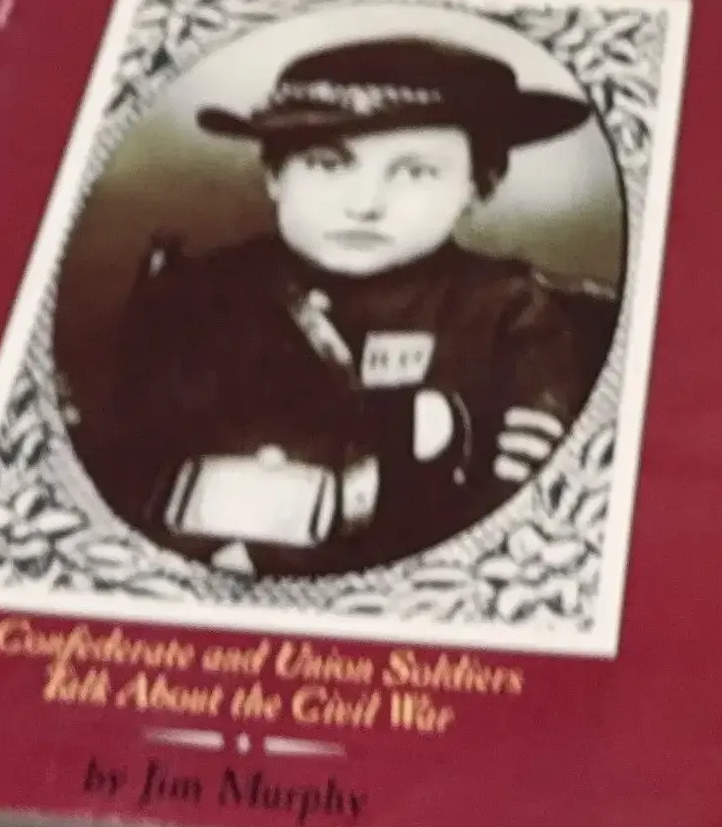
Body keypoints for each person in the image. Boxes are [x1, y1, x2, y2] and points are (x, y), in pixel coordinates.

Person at [79, 36, 616, 578]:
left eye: (414, 172)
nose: (364, 204)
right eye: (327, 164)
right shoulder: (192, 296)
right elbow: (123, 469)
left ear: (479, 187)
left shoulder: (510, 313)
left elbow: (513, 513)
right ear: (274, 176)